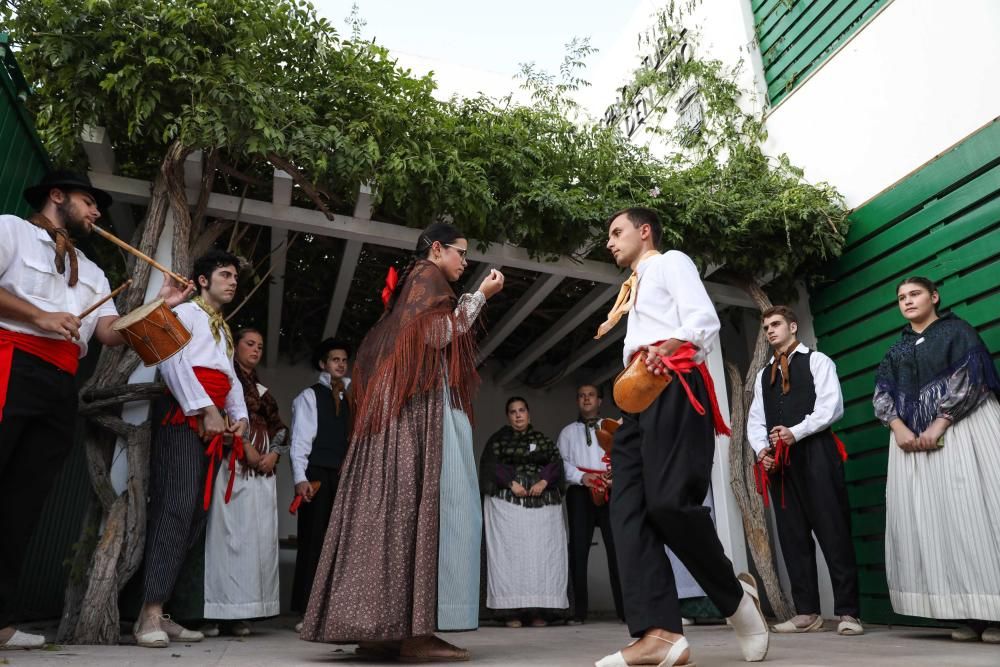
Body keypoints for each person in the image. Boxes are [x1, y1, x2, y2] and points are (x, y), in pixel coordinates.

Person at [0, 170, 191, 650]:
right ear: (57, 196)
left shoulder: (92, 268)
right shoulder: (10, 230)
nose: (97, 212)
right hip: (11, 361)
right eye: (89, 201)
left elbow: (108, 332)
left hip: (61, 381)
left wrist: (161, 307)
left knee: (23, 503)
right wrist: (39, 315)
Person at [301, 223, 504, 662]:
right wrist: (481, 296)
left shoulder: (411, 286)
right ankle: (416, 634)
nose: (464, 263)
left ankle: (380, 629)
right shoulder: (426, 279)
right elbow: (438, 335)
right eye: (460, 253)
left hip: (391, 413)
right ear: (436, 249)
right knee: (429, 504)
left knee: (387, 509)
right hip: (413, 413)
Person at [594, 208, 769, 667]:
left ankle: (734, 598)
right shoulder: (633, 285)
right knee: (627, 510)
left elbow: (703, 322)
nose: (609, 241)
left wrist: (671, 345)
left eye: (617, 232)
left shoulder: (671, 261)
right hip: (636, 396)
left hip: (674, 382)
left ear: (644, 230)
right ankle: (660, 635)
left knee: (670, 504)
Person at [874, 276, 1000, 643]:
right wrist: (898, 427)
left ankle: (995, 613)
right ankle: (966, 614)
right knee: (941, 526)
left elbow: (971, 380)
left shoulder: (957, 331)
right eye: (901, 297)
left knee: (977, 516)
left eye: (915, 294)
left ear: (934, 296)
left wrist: (940, 422)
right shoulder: (896, 351)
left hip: (963, 430)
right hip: (913, 443)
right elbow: (883, 396)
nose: (908, 301)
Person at [135, 249, 248, 649]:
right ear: (202, 280)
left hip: (214, 422)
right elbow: (171, 362)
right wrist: (206, 409)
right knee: (176, 504)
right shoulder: (183, 313)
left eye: (235, 276)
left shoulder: (223, 326)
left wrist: (240, 417)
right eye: (224, 273)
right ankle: (146, 613)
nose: (233, 281)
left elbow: (230, 378)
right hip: (184, 417)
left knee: (197, 515)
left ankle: (164, 612)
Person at [747, 306, 862, 636]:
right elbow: (756, 420)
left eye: (776, 324)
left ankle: (848, 613)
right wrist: (763, 450)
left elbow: (831, 406)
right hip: (780, 463)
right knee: (792, 536)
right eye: (766, 326)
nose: (770, 330)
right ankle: (807, 612)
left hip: (816, 453)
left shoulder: (817, 361)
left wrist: (794, 432)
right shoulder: (763, 374)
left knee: (833, 530)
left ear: (793, 326)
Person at [200, 327, 288, 636]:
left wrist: (274, 455)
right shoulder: (226, 379)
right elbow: (221, 415)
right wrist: (246, 448)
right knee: (228, 540)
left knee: (254, 542)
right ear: (234, 346)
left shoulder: (261, 388)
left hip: (263, 472)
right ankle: (216, 612)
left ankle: (242, 613)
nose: (255, 350)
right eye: (249, 344)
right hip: (234, 465)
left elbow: (280, 428)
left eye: (260, 346)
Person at [481, 397, 568, 628]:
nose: (518, 415)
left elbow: (555, 463)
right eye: (513, 412)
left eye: (521, 410)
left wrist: (543, 481)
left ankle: (540, 611)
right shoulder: (498, 440)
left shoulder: (543, 440)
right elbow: (491, 466)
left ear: (529, 413)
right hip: (509, 507)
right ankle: (512, 612)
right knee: (512, 557)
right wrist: (510, 483)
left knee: (541, 557)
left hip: (542, 507)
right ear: (507, 416)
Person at [290, 338, 354, 631]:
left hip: (344, 476)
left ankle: (336, 611)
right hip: (317, 474)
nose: (340, 364)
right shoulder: (309, 396)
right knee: (314, 541)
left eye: (343, 359)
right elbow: (301, 440)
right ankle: (308, 612)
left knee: (342, 543)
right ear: (323, 364)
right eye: (334, 359)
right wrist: (300, 478)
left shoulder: (354, 396)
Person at [556, 383, 624, 625]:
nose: (586, 399)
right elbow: (561, 463)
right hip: (580, 492)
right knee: (578, 550)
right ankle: (578, 611)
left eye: (591, 395)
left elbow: (622, 456)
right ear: (578, 401)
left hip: (609, 489)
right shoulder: (567, 432)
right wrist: (582, 477)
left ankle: (626, 610)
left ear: (600, 401)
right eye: (582, 395)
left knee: (617, 549)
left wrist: (611, 477)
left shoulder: (612, 427)